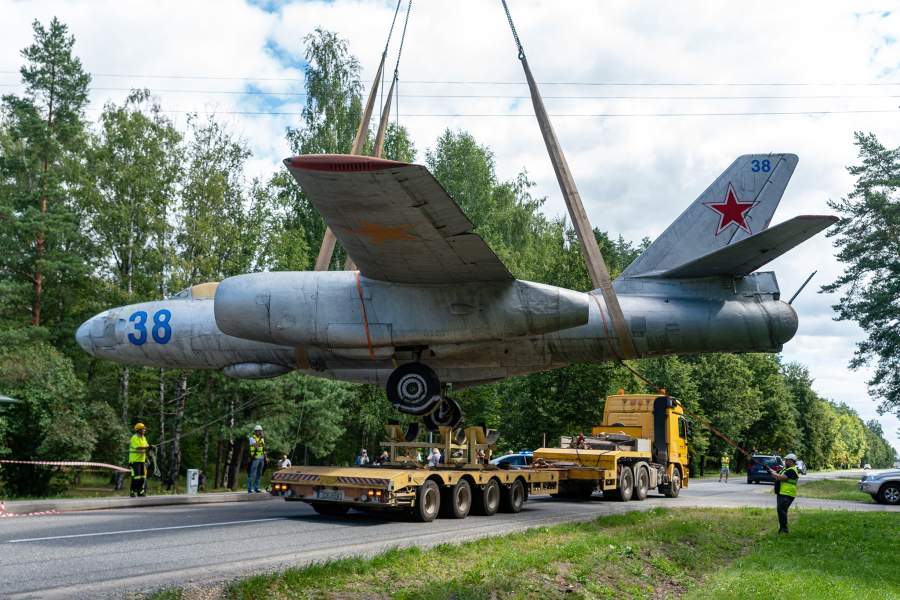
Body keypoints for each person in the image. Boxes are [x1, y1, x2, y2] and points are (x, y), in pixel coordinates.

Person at [768, 453, 801, 533]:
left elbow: (780, 477)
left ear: (792, 461)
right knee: (781, 511)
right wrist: (768, 469)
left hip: (787, 493)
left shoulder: (792, 470)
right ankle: (782, 529)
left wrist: (772, 473)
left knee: (782, 511)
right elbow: (776, 473)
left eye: (787, 460)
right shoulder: (785, 469)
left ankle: (784, 530)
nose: (785, 461)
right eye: (785, 460)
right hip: (782, 493)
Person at [128, 422, 150, 497]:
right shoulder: (134, 438)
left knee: (143, 477)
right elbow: (138, 447)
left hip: (142, 460)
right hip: (134, 461)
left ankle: (140, 492)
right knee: (136, 477)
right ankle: (132, 491)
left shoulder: (144, 438)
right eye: (143, 429)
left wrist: (151, 448)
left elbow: (146, 447)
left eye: (144, 429)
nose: (144, 430)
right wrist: (147, 447)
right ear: (139, 430)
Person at [247, 424, 266, 493]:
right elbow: (256, 446)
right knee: (252, 473)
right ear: (255, 432)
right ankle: (250, 488)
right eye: (258, 431)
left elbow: (263, 448)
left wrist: (266, 457)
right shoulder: (252, 438)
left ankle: (257, 488)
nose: (260, 432)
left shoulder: (262, 439)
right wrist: (260, 439)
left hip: (261, 458)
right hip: (255, 458)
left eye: (260, 431)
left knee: (259, 473)